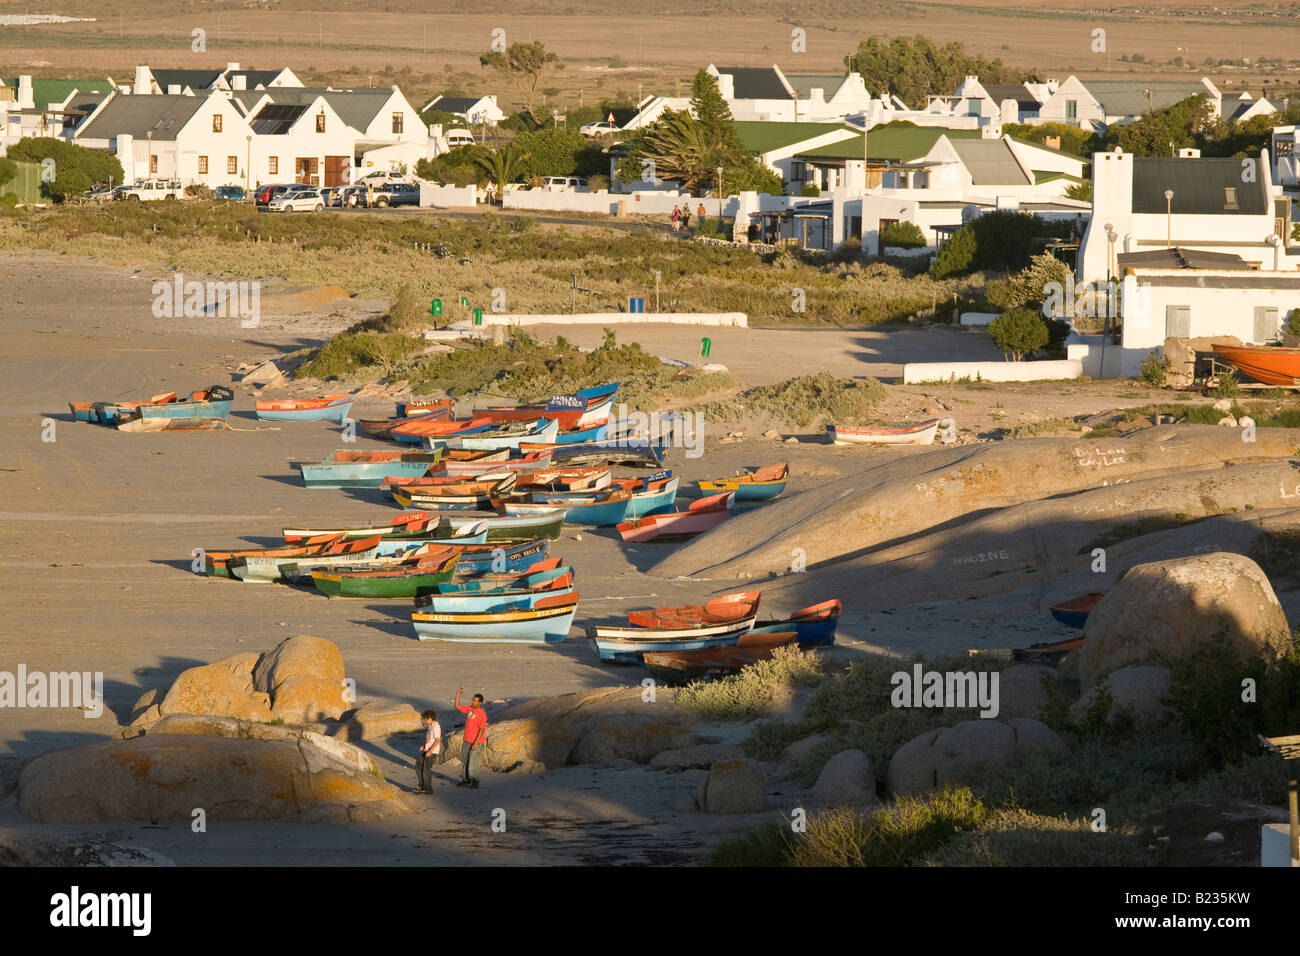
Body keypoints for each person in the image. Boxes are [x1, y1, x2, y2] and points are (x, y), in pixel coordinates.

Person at [454, 687, 487, 788]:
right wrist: (458, 694)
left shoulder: (482, 714)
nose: (473, 702)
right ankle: (465, 779)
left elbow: (482, 729)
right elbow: (457, 707)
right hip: (466, 740)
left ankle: (475, 781)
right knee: (465, 761)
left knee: (473, 763)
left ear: (480, 703)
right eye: (473, 700)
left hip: (476, 742)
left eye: (476, 701)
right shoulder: (469, 709)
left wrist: (476, 743)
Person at [416, 709, 441, 793]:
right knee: (418, 766)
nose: (426, 720)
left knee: (426, 769)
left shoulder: (436, 726)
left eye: (426, 719)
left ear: (430, 718)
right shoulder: (431, 726)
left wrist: (430, 751)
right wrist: (424, 746)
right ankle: (422, 786)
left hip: (432, 751)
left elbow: (437, 740)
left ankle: (428, 789)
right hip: (426, 749)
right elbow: (429, 738)